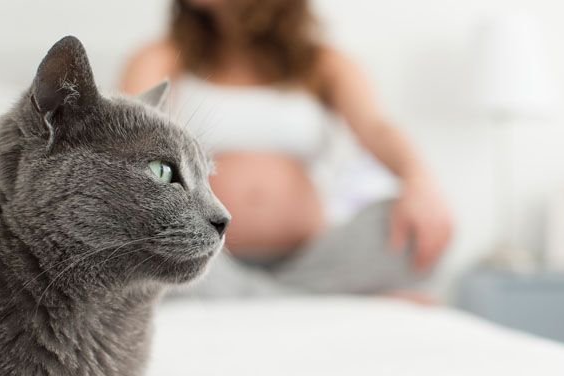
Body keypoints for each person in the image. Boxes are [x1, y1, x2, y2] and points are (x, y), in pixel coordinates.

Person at [121, 0, 453, 298]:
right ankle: (300, 299)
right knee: (134, 251)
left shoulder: (323, 63)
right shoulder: (162, 56)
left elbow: (377, 128)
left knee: (407, 227)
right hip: (206, 258)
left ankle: (257, 297)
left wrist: (420, 181)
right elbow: (130, 143)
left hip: (314, 259)